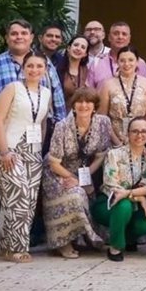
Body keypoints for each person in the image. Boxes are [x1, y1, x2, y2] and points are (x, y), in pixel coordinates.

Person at [0, 51, 53, 263]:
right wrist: (4, 151)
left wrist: (39, 148)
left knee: (29, 201)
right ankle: (17, 248)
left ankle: (7, 244)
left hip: (33, 150)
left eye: (39, 66)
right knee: (18, 196)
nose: (34, 70)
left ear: (45, 69)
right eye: (30, 66)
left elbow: (42, 123)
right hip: (10, 146)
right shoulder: (13, 88)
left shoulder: (46, 93)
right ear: (23, 68)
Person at [42, 87, 112, 259]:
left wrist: (83, 179)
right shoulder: (62, 126)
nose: (84, 105)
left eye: (88, 102)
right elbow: (54, 163)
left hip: (83, 171)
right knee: (75, 195)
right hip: (58, 172)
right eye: (79, 101)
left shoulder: (103, 123)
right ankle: (63, 242)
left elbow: (101, 156)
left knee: (86, 193)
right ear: (73, 106)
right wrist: (74, 179)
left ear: (95, 106)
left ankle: (86, 238)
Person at [92, 116, 146, 261]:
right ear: (128, 133)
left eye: (143, 131)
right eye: (135, 131)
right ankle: (116, 246)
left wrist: (130, 193)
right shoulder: (114, 154)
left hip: (136, 206)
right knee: (124, 205)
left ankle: (129, 238)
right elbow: (112, 186)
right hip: (109, 203)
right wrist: (139, 197)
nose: (139, 135)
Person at [98, 47, 146, 147]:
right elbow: (103, 117)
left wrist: (143, 136)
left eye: (131, 60)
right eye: (122, 60)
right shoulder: (108, 85)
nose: (126, 64)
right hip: (114, 141)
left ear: (137, 62)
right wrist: (117, 142)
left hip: (140, 140)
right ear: (117, 62)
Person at [87, 21, 146, 90]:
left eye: (124, 34)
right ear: (109, 37)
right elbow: (89, 92)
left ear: (129, 39)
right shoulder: (97, 62)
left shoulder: (139, 63)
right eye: (116, 34)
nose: (120, 37)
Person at [57, 35, 90, 106]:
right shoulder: (57, 68)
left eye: (83, 47)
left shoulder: (86, 71)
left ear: (85, 54)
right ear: (69, 48)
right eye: (76, 45)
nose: (78, 48)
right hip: (61, 109)